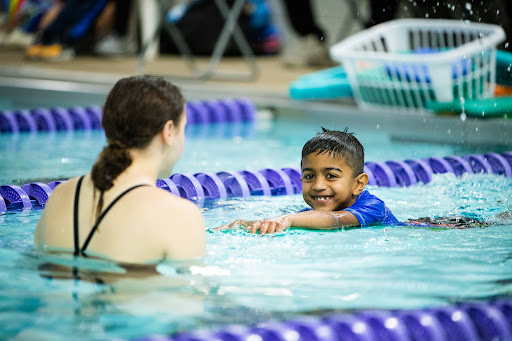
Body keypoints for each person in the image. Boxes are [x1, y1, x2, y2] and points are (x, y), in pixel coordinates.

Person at [34, 75, 206, 264]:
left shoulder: (60, 195)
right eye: (184, 128)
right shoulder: (179, 215)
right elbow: (191, 292)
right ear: (169, 131)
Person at [220, 128, 399, 234]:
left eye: (331, 176)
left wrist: (288, 219)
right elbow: (280, 222)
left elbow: (335, 220)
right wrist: (244, 224)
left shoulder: (374, 207)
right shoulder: (308, 214)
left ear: (358, 184)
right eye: (309, 176)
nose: (318, 186)